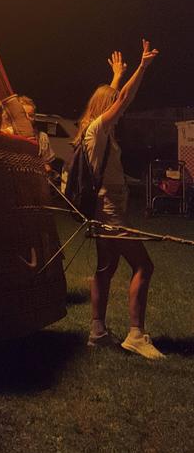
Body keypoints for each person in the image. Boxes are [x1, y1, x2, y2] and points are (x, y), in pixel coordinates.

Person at [74, 40, 164, 359]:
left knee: (105, 268)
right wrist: (141, 68)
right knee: (143, 264)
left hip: (106, 209)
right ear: (105, 108)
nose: (119, 111)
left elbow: (114, 97)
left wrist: (115, 75)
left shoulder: (96, 130)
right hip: (109, 211)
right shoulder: (98, 130)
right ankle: (136, 335)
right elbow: (122, 100)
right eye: (111, 105)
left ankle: (97, 332)